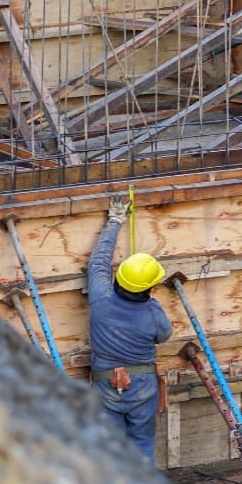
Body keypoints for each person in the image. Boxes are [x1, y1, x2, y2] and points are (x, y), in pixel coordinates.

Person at [87, 195, 174, 460]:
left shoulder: (100, 297)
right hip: (142, 385)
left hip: (105, 383)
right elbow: (164, 336)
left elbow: (98, 261)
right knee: (142, 444)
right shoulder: (153, 312)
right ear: (150, 287)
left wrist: (115, 220)